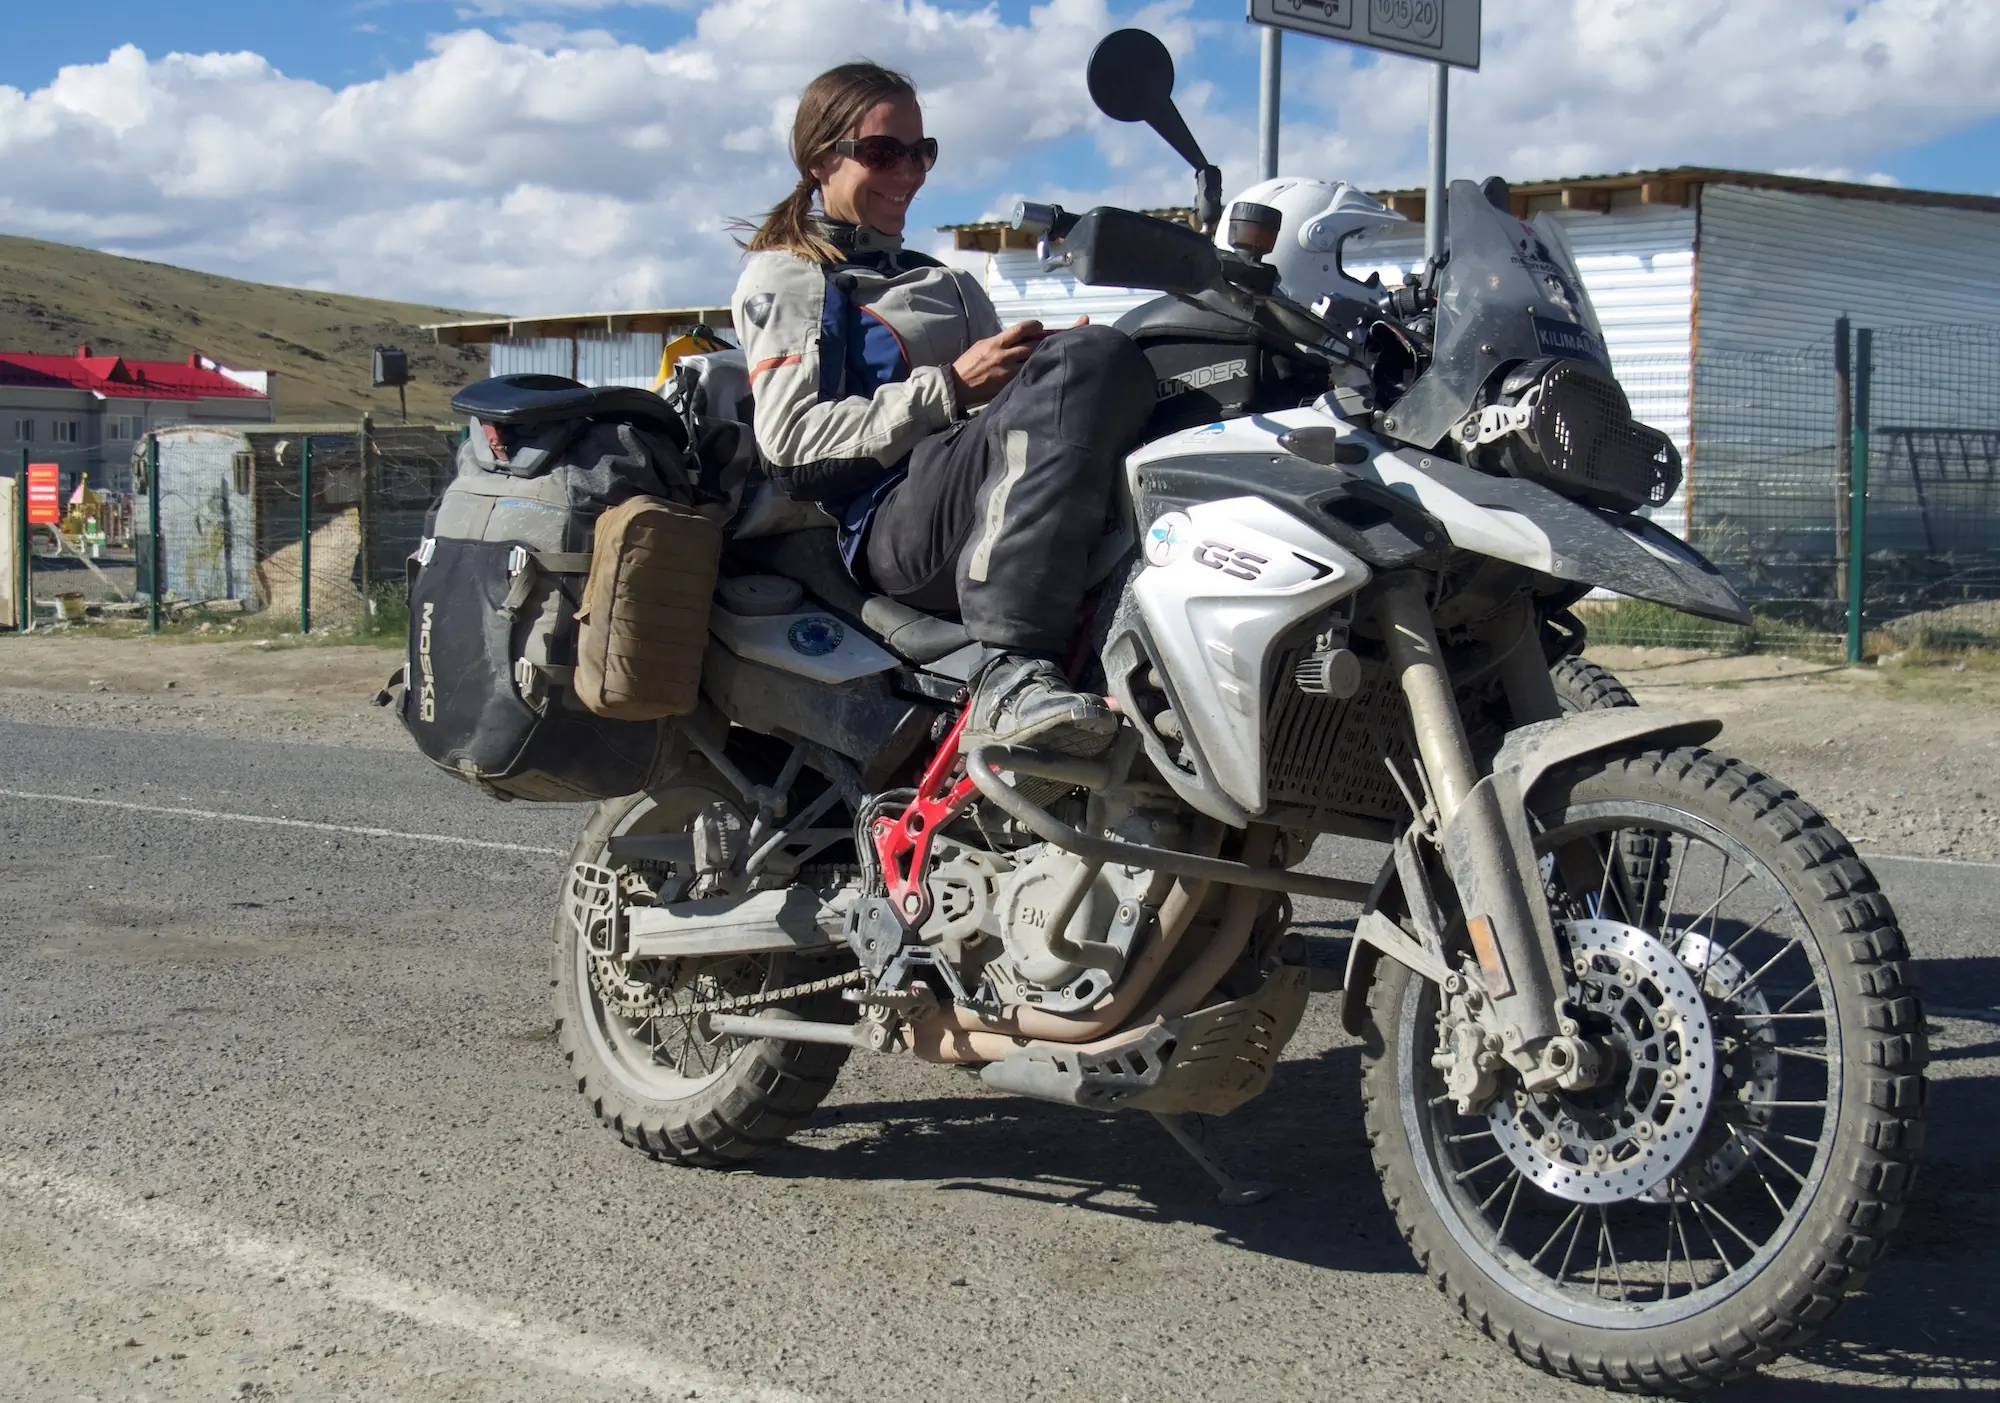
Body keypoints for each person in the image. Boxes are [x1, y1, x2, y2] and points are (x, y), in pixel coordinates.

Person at [730, 61, 1156, 755]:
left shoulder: (946, 280)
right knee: (1090, 361)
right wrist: (950, 386)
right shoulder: (792, 272)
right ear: (819, 161)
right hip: (889, 526)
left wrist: (1038, 366)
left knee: (1137, 355)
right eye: (881, 152)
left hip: (970, 498)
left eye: (921, 151)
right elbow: (791, 446)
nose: (909, 171)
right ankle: (1008, 672)